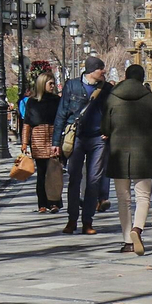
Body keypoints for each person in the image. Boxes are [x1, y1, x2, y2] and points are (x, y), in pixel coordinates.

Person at [103, 63, 152, 256]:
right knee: (143, 196)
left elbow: (104, 128)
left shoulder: (112, 98)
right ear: (142, 77)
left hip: (118, 153)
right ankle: (137, 229)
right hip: (143, 154)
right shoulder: (150, 99)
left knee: (123, 199)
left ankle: (127, 242)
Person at [53, 56, 112, 235]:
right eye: (101, 69)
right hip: (76, 137)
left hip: (98, 139)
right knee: (74, 179)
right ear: (92, 70)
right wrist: (55, 142)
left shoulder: (107, 88)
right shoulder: (72, 85)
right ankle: (72, 220)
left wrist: (109, 129)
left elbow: (112, 112)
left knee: (93, 181)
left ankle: (88, 221)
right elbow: (61, 113)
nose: (104, 72)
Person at [20, 72, 63, 213]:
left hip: (53, 138)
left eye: (53, 83)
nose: (53, 86)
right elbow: (27, 123)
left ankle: (55, 202)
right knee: (41, 173)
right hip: (38, 139)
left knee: (54, 172)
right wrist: (24, 143)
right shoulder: (32, 102)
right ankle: (42, 204)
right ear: (42, 84)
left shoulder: (57, 100)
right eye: (50, 83)